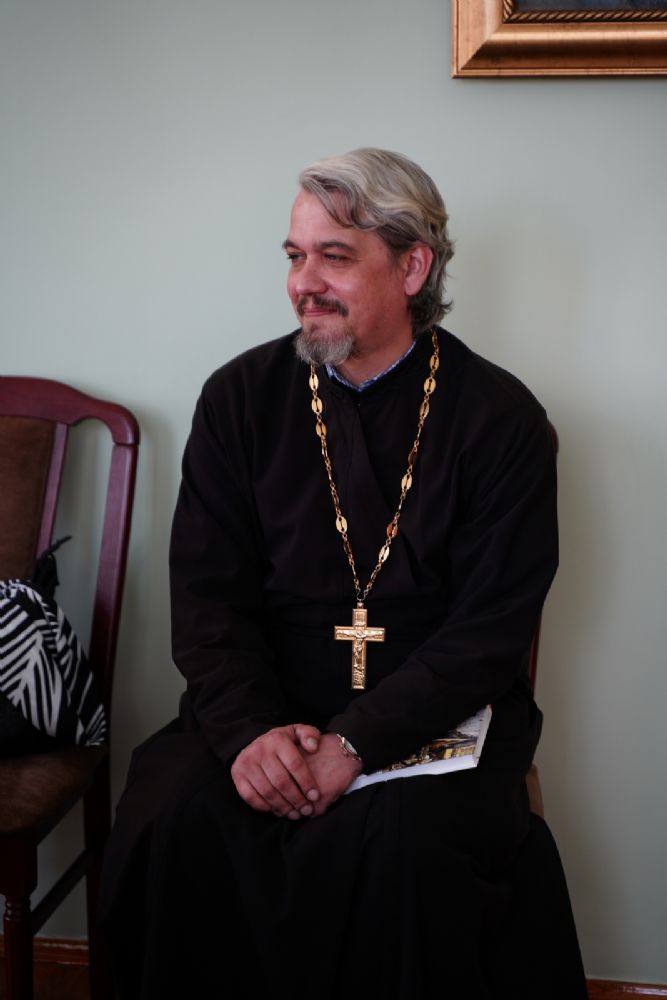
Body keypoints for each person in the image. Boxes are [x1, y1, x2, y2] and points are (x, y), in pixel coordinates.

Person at [100, 148, 587, 999]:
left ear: (411, 267)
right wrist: (252, 734)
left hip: (434, 718)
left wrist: (355, 744)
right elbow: (208, 601)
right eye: (295, 256)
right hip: (266, 704)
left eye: (334, 256)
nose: (303, 283)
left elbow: (488, 632)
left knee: (401, 847)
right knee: (172, 815)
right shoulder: (240, 398)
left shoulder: (498, 418)